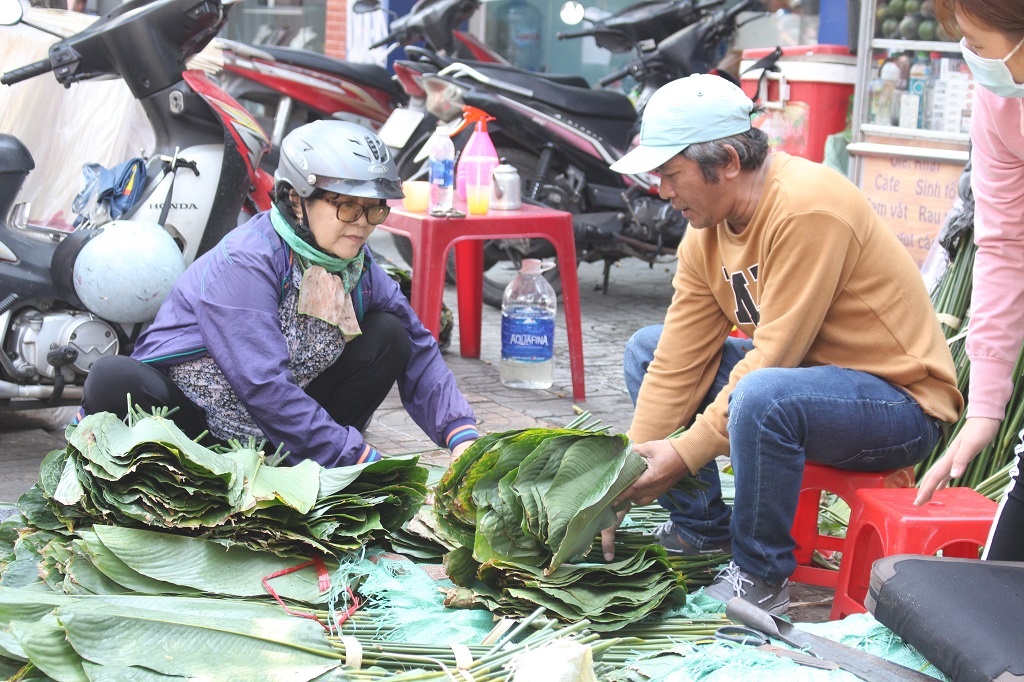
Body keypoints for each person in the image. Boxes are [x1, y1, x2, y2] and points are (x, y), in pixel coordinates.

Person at [600, 74, 963, 614]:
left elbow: (775, 357)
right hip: (803, 385)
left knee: (764, 393)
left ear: (725, 161)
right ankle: (702, 530)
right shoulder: (704, 233)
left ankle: (760, 575)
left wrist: (681, 452)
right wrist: (620, 480)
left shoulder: (806, 206)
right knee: (646, 349)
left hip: (898, 404)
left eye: (670, 174)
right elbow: (679, 357)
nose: (662, 191)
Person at [82, 120, 479, 467]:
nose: (363, 224)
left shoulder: (356, 262)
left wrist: (461, 435)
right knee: (112, 378)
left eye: (375, 209)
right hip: (198, 428)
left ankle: (318, 458)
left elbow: (417, 343)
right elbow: (263, 384)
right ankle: (324, 455)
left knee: (390, 333)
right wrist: (357, 455)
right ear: (295, 199)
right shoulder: (246, 261)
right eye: (346, 207)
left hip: (283, 433)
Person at [914, 0, 1024, 563]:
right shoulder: (1000, 104)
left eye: (979, 46)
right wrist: (985, 407)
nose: (972, 61)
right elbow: (1004, 246)